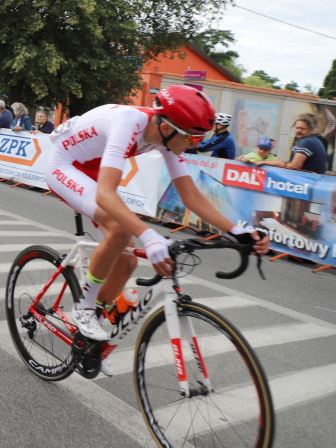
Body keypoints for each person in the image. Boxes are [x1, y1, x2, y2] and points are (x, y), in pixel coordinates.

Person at [44, 85, 268, 376]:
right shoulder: (128, 123)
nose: (195, 143)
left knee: (126, 260)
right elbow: (105, 195)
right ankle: (84, 309)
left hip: (95, 168)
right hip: (65, 165)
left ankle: (90, 333)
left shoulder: (167, 137)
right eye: (192, 137)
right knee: (122, 232)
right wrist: (149, 236)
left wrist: (237, 231)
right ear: (165, 127)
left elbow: (190, 196)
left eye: (201, 137)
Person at [257, 114, 328, 174]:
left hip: (308, 182)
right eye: (297, 128)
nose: (299, 131)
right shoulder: (304, 139)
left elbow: (295, 166)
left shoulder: (308, 141)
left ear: (311, 130)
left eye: (303, 129)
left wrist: (278, 164)